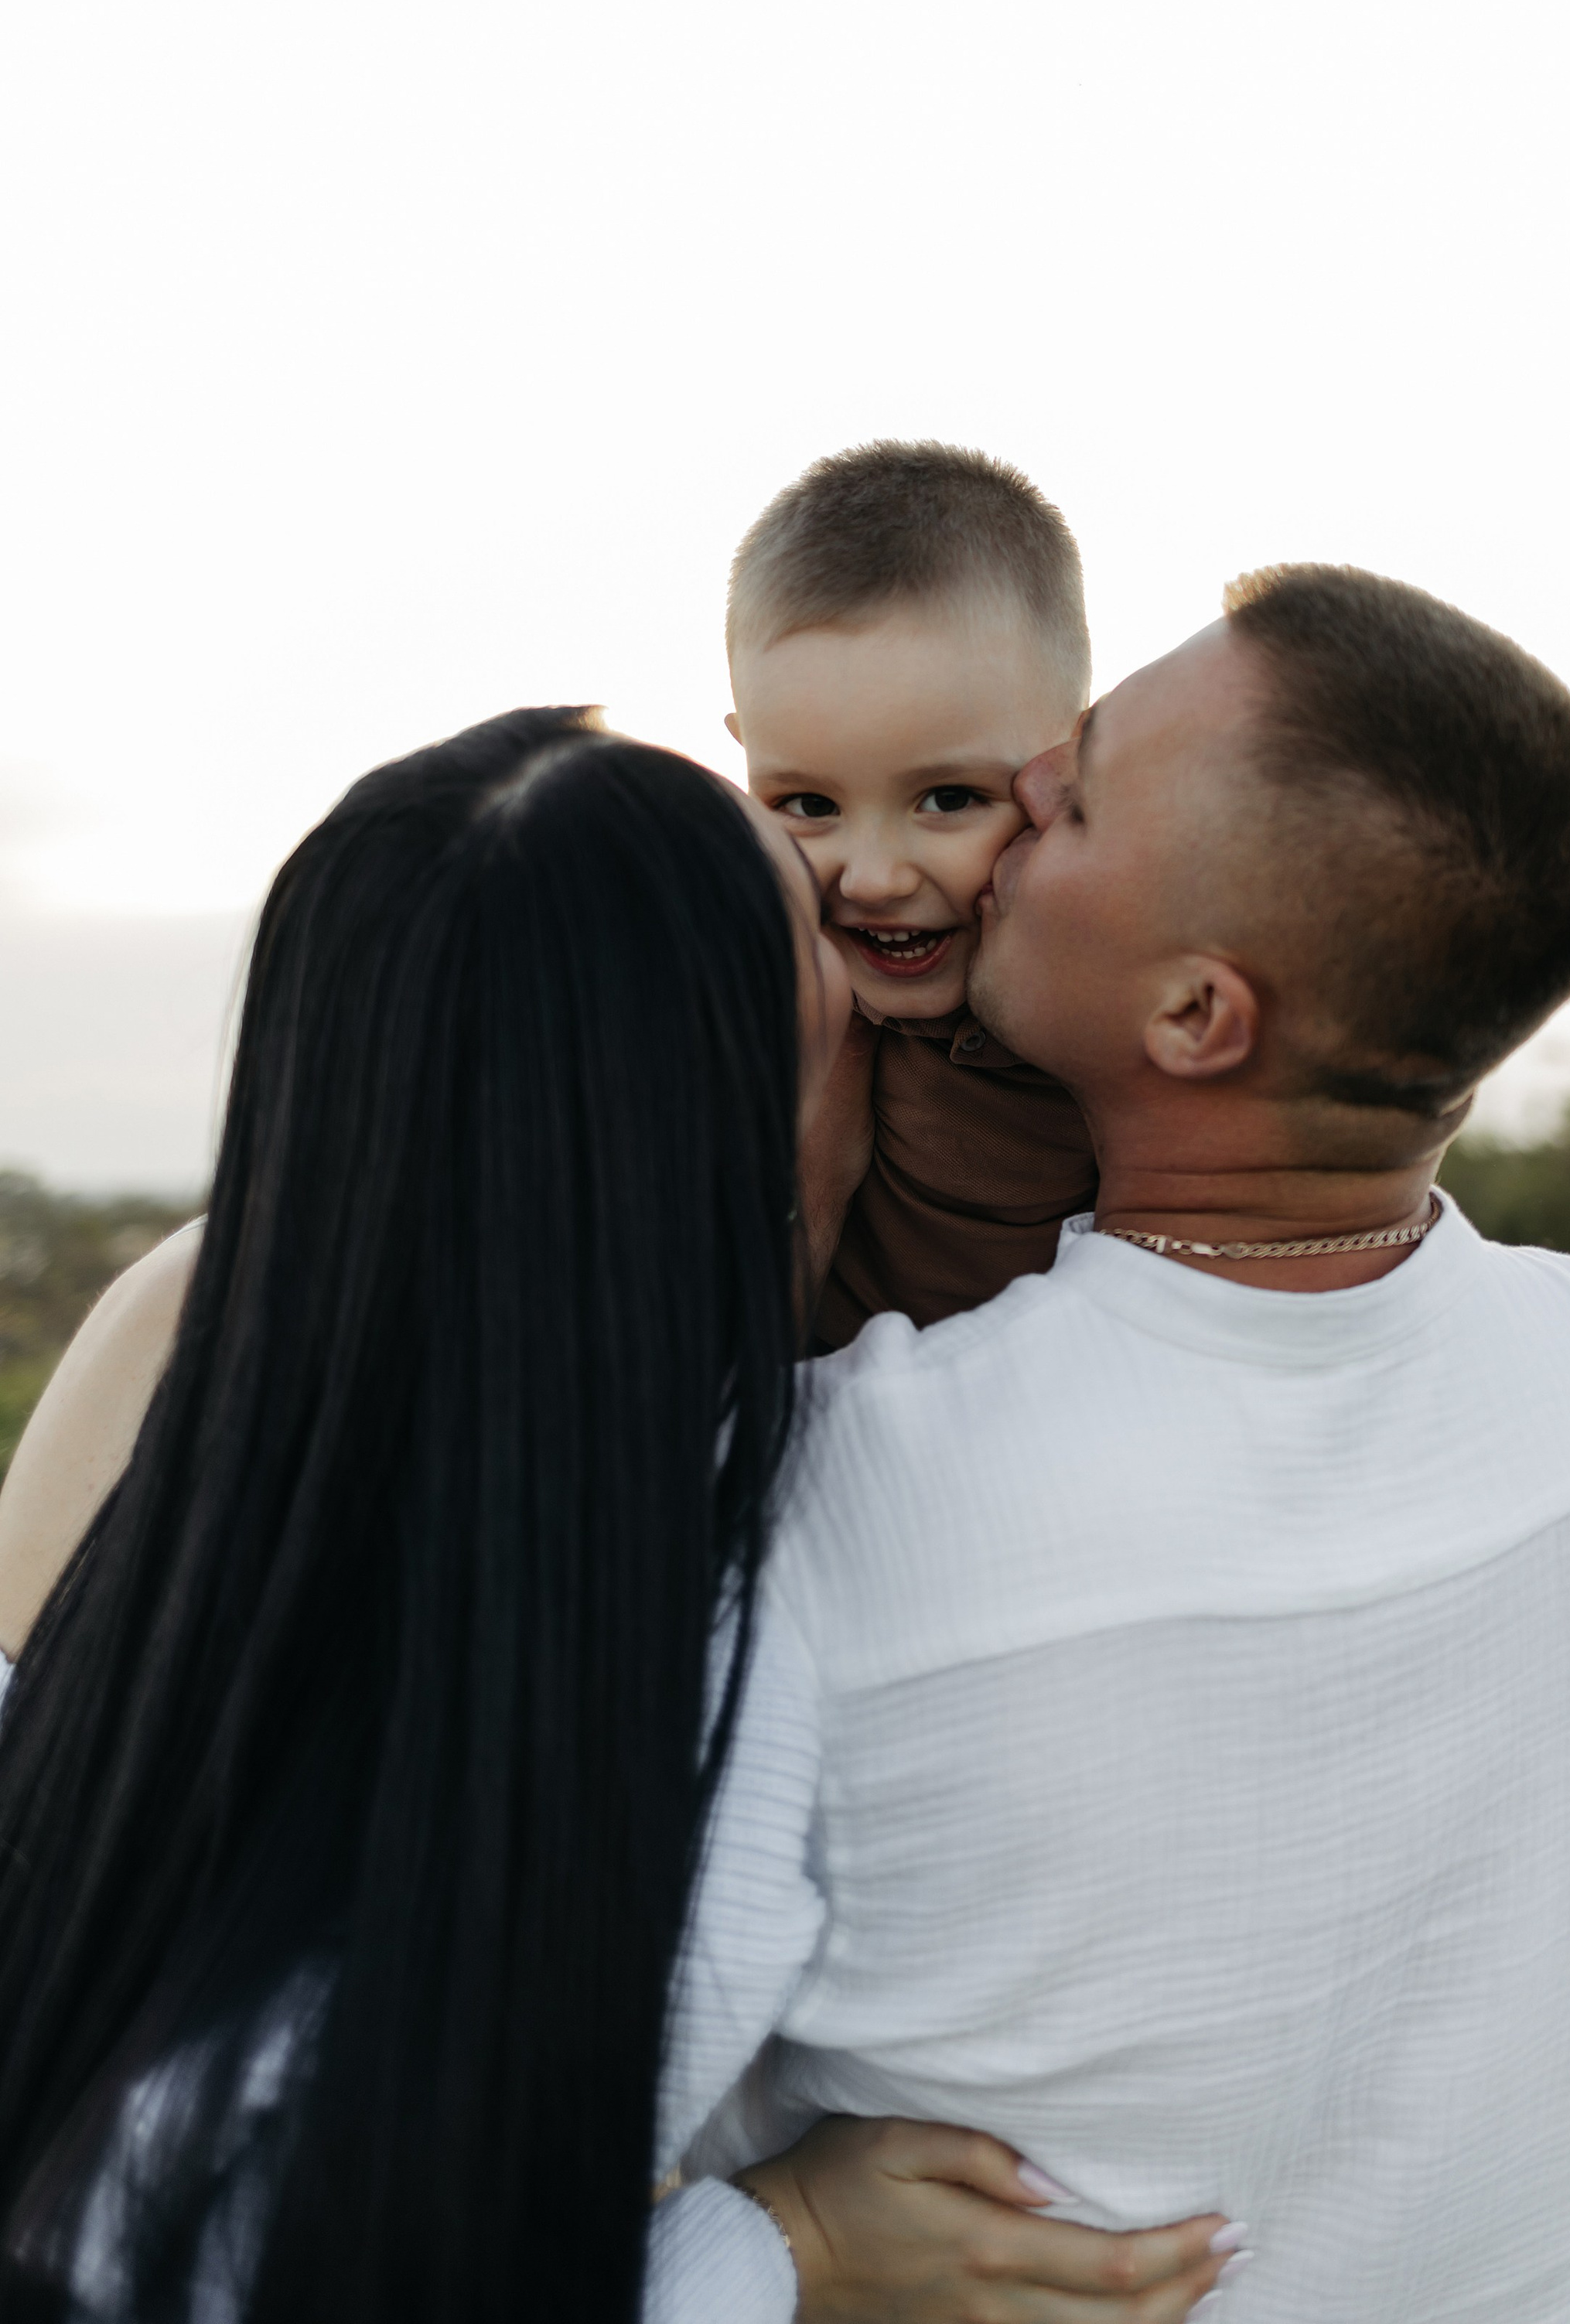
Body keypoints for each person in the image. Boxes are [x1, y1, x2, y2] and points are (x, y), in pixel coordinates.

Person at [0, 709, 1231, 2324]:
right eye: (833, 979)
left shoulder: (204, 1363)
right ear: (736, 1119)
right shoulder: (696, 1637)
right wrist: (789, 2247)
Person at [673, 567, 1570, 2319]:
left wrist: (777, 2245)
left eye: (1070, 792)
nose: (1012, 798)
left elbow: (433, 2192)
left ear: (1195, 1016)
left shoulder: (830, 1500)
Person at [725, 442, 1100, 1350]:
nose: (876, 879)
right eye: (807, 805)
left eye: (947, 800)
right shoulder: (749, 1013)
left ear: (1069, 760)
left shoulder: (1126, 983)